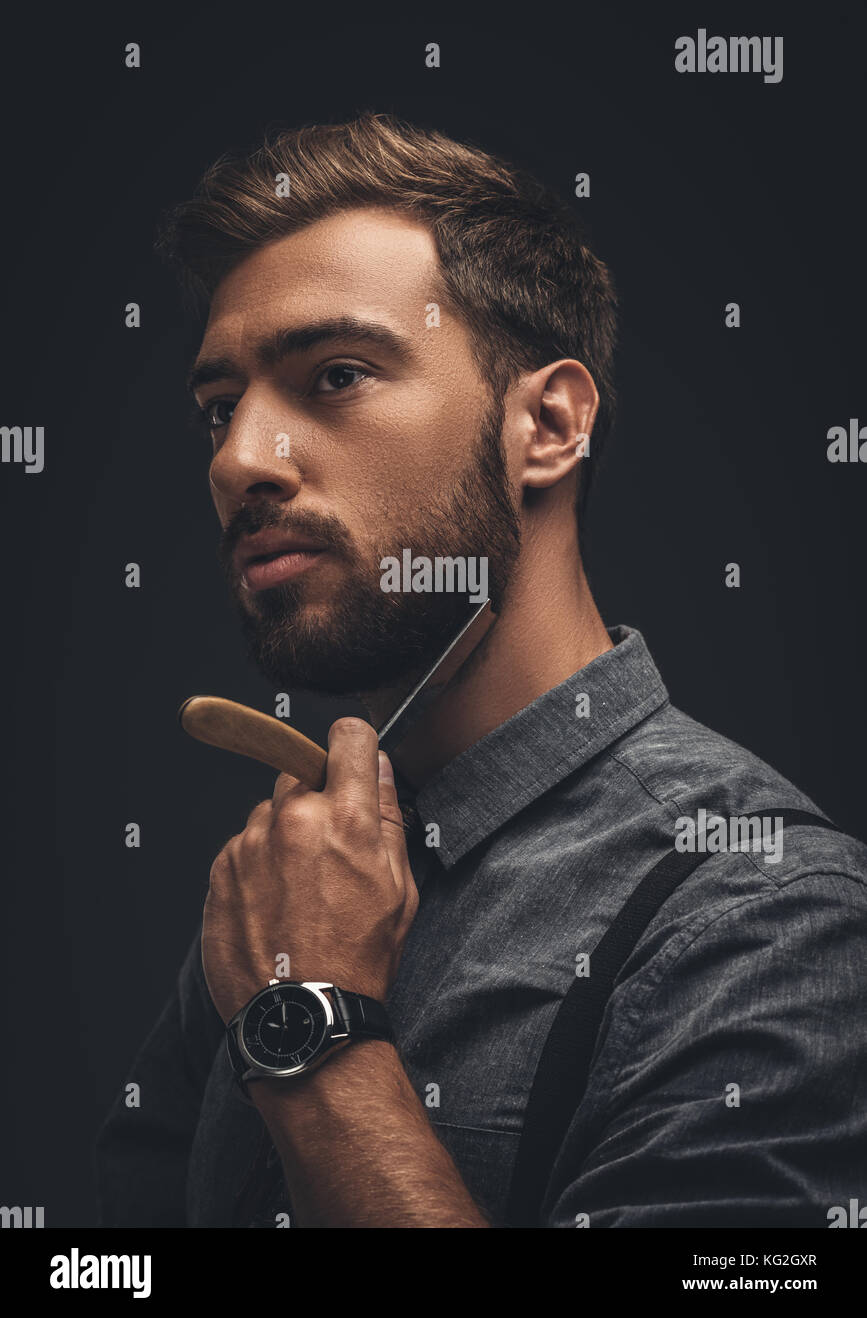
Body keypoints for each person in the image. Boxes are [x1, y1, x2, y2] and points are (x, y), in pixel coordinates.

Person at [94, 113, 866, 1228]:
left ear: (548, 423)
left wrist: (314, 1029)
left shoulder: (768, 917)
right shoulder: (292, 875)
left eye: (337, 374)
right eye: (221, 409)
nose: (237, 460)